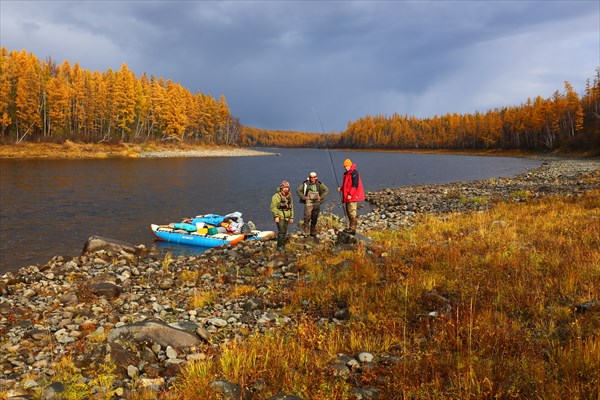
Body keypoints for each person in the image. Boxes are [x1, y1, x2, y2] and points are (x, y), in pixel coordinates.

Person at [296, 171, 329, 237]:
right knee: (307, 217)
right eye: (311, 177)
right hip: (309, 202)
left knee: (315, 217)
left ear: (316, 177)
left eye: (314, 177)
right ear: (309, 177)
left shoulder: (319, 184)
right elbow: (298, 190)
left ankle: (312, 231)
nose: (312, 178)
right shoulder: (305, 184)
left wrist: (321, 197)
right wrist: (304, 198)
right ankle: (306, 232)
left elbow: (326, 190)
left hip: (317, 202)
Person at [338, 159, 365, 234]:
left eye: (347, 166)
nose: (346, 168)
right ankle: (351, 227)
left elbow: (355, 184)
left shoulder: (354, 172)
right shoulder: (346, 173)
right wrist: (341, 188)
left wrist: (350, 194)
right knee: (349, 212)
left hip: (352, 196)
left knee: (351, 212)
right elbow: (346, 184)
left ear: (350, 165)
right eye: (345, 166)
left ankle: (353, 229)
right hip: (347, 196)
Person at [270, 180, 294, 249]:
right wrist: (276, 216)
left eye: (287, 187)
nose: (286, 189)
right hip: (280, 216)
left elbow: (291, 207)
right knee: (281, 231)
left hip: (287, 216)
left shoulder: (289, 196)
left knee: (285, 232)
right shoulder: (276, 196)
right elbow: (273, 207)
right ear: (281, 188)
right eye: (284, 187)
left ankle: (283, 246)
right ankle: (279, 247)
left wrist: (291, 217)